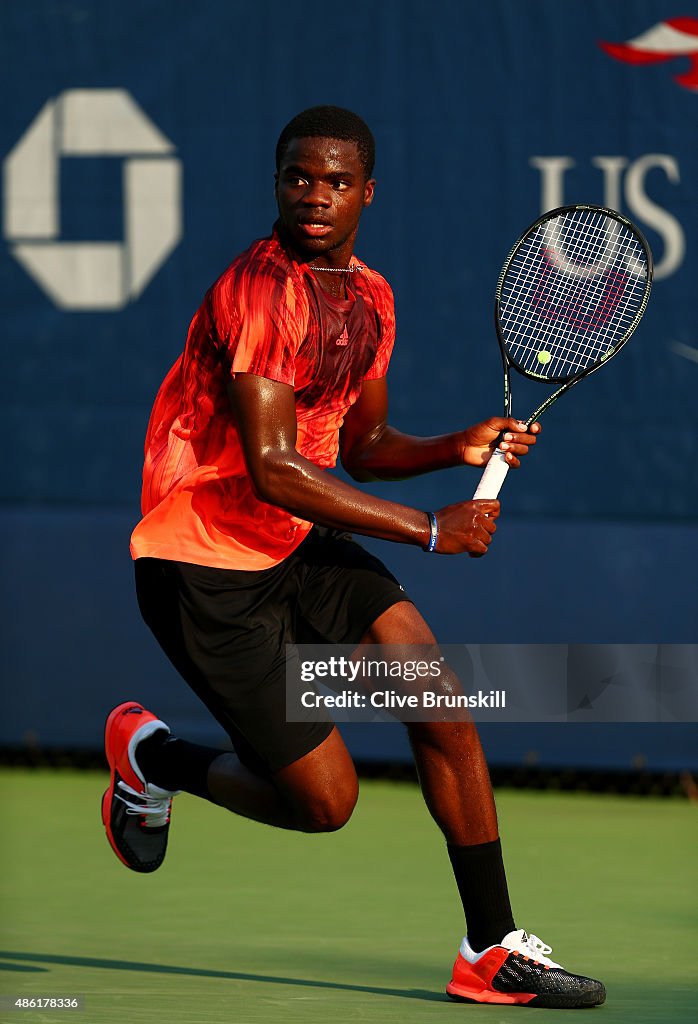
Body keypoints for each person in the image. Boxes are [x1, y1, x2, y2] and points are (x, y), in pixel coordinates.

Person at [102, 105, 605, 1009]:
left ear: (366, 193)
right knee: (323, 804)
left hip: (300, 540)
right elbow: (275, 469)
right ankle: (154, 758)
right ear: (278, 183)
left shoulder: (371, 295)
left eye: (336, 182)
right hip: (204, 564)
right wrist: (429, 529)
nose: (315, 196)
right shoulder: (257, 289)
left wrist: (456, 444)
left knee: (439, 699)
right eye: (299, 177)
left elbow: (362, 444)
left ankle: (489, 949)